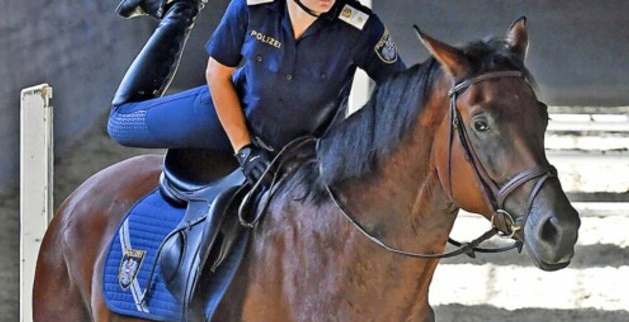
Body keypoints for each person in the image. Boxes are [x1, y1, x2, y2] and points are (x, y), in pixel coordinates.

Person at [108, 0, 406, 184]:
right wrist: (245, 150)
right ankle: (180, 10)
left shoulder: (363, 29)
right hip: (230, 113)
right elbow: (217, 73)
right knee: (121, 125)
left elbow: (403, 95)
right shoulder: (250, 8)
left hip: (305, 153)